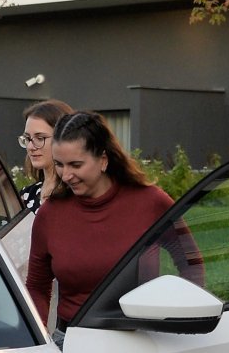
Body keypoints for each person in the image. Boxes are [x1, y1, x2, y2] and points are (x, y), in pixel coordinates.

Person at [23, 111, 177, 329]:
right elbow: (37, 286)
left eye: (76, 165)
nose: (66, 175)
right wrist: (39, 342)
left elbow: (191, 261)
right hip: (73, 341)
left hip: (142, 340)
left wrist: (182, 317)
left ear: (103, 160)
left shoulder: (150, 202)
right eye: (59, 164)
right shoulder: (50, 213)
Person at [16, 99, 74, 213]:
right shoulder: (26, 195)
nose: (31, 147)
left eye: (40, 138)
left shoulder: (79, 194)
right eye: (27, 138)